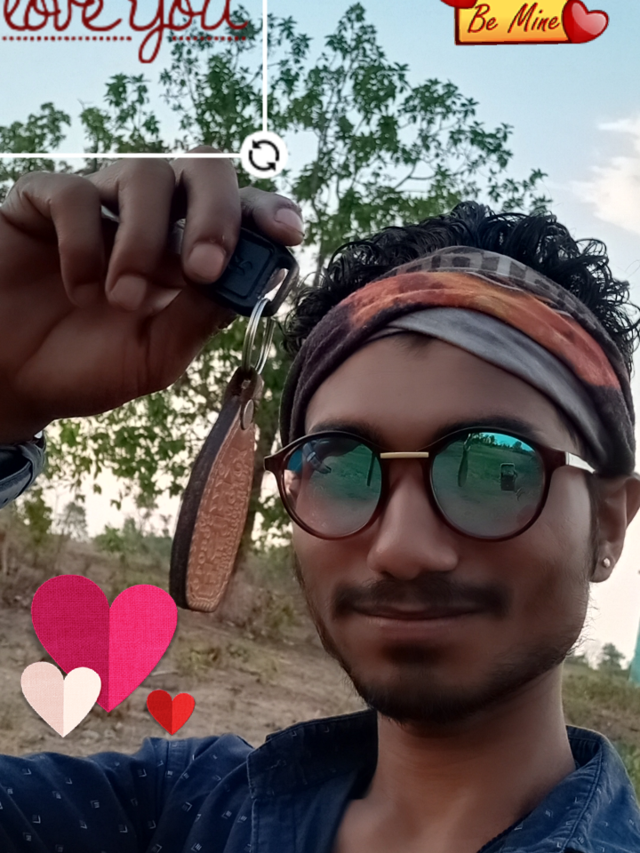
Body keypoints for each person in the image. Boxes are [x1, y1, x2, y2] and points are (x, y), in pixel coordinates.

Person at [0, 148, 639, 853]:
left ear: (609, 522)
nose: (401, 549)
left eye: (492, 468)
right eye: (338, 465)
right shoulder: (178, 812)